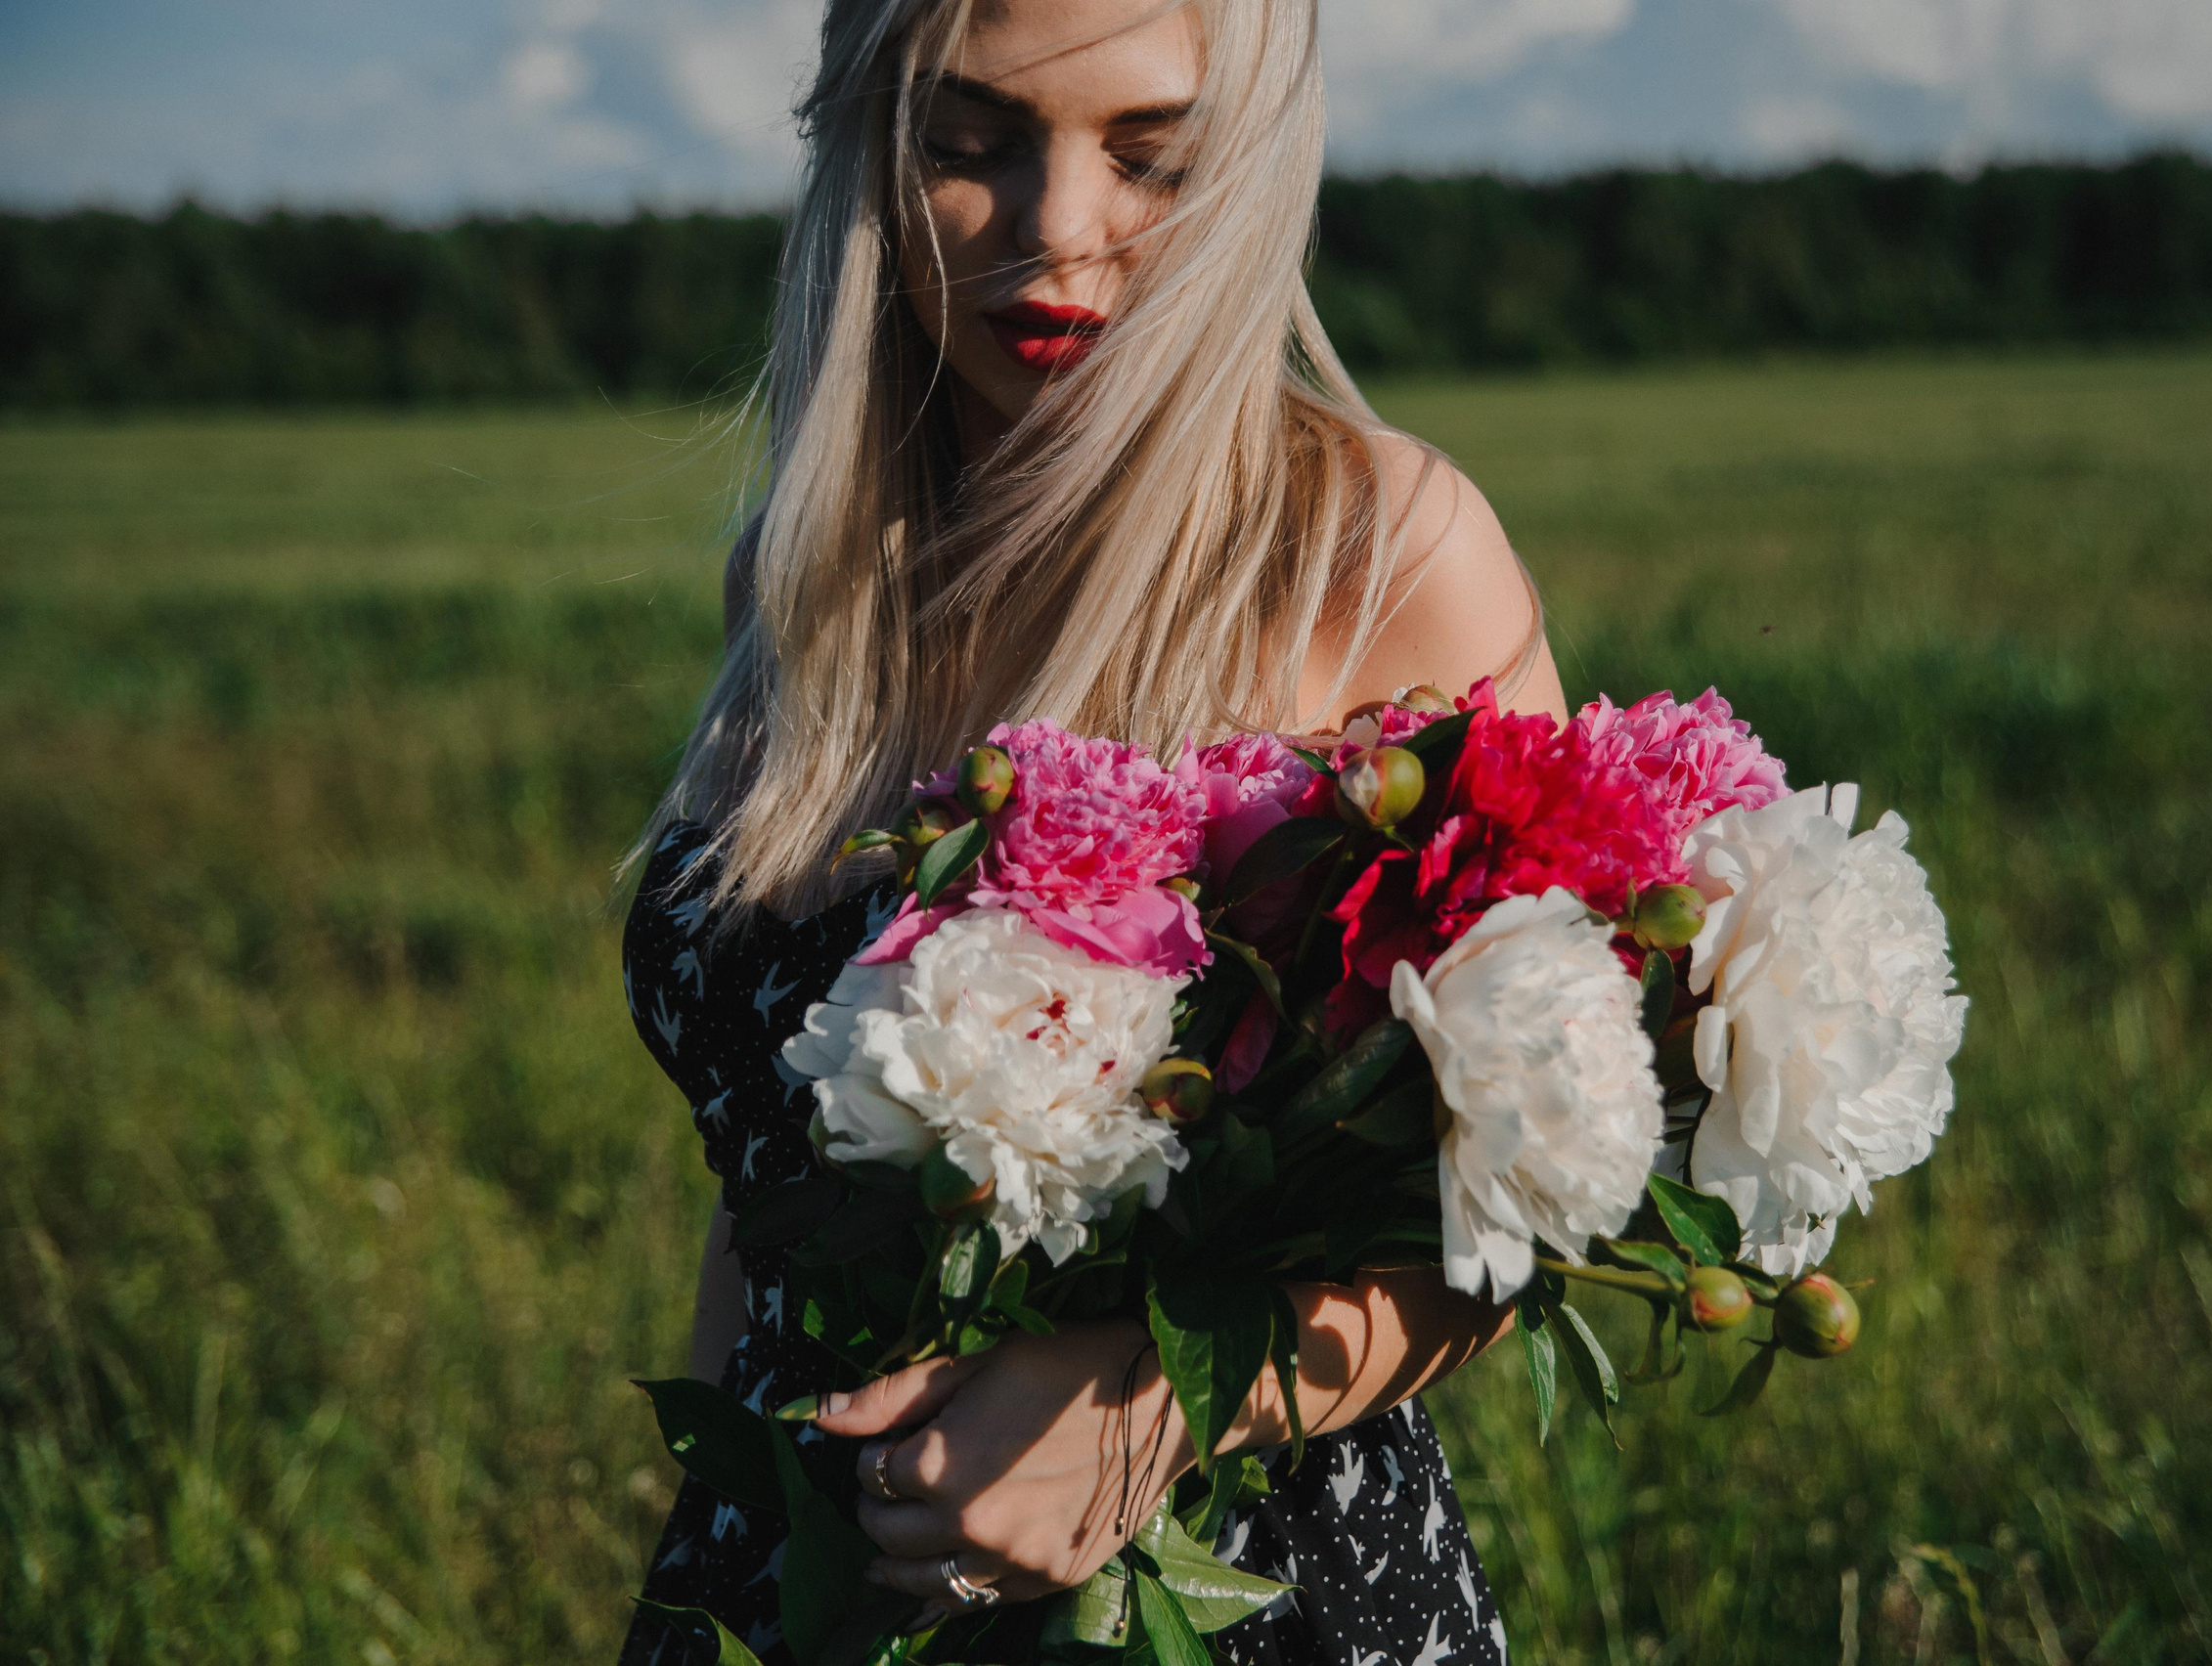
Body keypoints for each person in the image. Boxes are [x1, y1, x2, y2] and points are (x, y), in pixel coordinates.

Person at [617, 1, 1567, 1660]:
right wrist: (704, 1555)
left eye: (1156, 156)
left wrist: (1158, 1407)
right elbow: (768, 1173)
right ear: (864, 152)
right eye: (964, 143)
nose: (1057, 234)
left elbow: (1538, 1199)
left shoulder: (1377, 556)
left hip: (1245, 1600)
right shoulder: (809, 578)